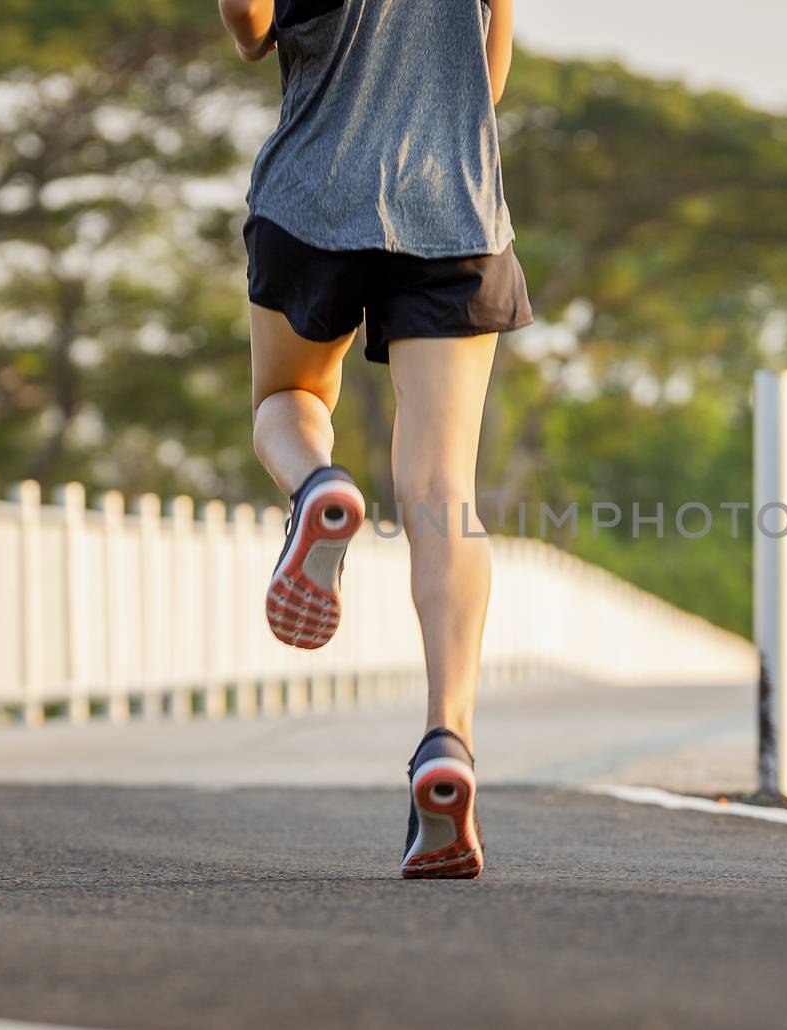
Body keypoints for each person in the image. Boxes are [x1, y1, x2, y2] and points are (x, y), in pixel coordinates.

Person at [218, 0, 531, 879]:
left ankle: (317, 486)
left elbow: (249, 22)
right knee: (443, 492)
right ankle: (448, 742)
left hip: (313, 190)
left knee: (287, 393)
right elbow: (490, 81)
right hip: (456, 206)